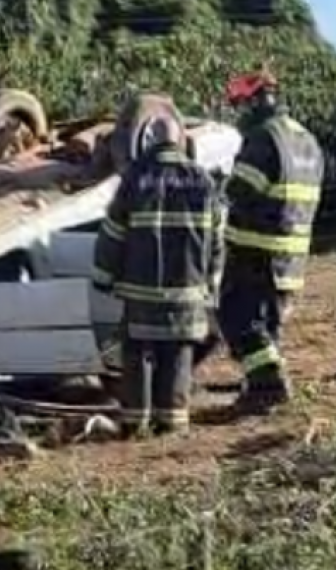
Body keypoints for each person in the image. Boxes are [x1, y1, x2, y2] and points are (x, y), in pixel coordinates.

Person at [92, 114, 225, 437]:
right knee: (178, 354)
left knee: (137, 355)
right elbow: (217, 240)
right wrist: (212, 282)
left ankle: (135, 423)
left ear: (148, 141)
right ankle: (173, 424)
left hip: (141, 292)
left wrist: (103, 276)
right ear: (181, 141)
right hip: (187, 292)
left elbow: (113, 233)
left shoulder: (135, 178)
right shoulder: (203, 180)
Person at [219, 70, 325, 415]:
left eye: (240, 106)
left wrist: (218, 183)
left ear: (253, 102)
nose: (240, 115)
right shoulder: (306, 139)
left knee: (239, 321)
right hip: (291, 257)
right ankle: (259, 388)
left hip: (256, 253)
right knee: (268, 328)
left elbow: (240, 192)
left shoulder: (264, 137)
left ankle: (268, 387)